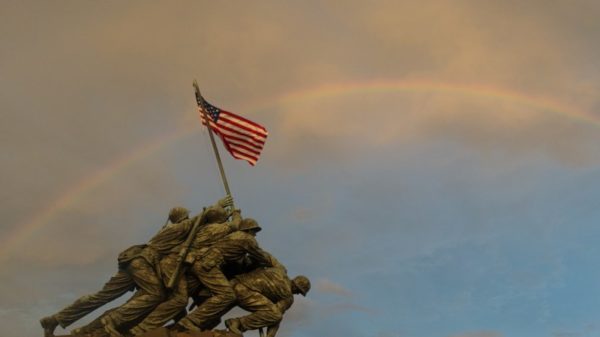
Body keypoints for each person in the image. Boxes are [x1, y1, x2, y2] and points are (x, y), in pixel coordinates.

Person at [39, 196, 232, 337]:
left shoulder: (168, 229)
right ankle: (111, 322)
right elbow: (199, 221)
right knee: (155, 294)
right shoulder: (177, 228)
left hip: (132, 261)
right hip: (142, 263)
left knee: (101, 297)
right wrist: (217, 207)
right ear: (182, 217)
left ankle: (55, 319)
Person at [128, 206, 242, 336]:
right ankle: (152, 327)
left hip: (185, 265)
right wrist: (236, 214)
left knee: (182, 301)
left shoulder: (200, 228)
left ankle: (165, 327)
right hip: (181, 264)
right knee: (182, 300)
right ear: (221, 218)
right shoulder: (216, 228)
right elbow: (236, 225)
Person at [174, 218, 279, 331]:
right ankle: (188, 321)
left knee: (179, 295)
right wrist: (274, 264)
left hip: (198, 262)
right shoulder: (248, 239)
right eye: (254, 231)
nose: (255, 234)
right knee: (228, 295)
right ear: (248, 230)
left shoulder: (234, 236)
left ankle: (180, 324)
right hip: (208, 265)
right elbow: (260, 255)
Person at [224, 267, 310, 337]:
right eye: (299, 291)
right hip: (244, 292)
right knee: (276, 315)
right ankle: (237, 323)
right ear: (296, 287)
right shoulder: (288, 296)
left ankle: (236, 326)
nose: (298, 294)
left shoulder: (279, 270)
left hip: (232, 283)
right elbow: (275, 317)